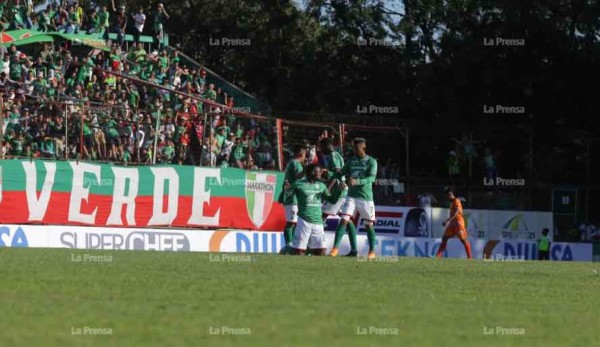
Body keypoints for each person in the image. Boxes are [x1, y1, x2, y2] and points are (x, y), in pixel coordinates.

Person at [284, 163, 344, 256]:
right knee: (299, 252)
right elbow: (287, 196)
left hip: (318, 222)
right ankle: (287, 250)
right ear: (311, 172)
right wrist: (286, 190)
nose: (320, 174)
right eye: (318, 172)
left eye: (320, 172)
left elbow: (332, 200)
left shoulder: (321, 186)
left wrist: (339, 191)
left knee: (321, 252)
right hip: (304, 221)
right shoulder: (298, 184)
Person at [334, 137, 377, 259]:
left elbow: (372, 179)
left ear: (363, 148)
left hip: (365, 198)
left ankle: (372, 251)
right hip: (351, 196)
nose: (354, 150)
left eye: (356, 147)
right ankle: (334, 250)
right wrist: (328, 173)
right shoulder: (351, 161)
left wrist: (357, 182)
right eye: (354, 147)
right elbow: (341, 172)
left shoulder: (371, 161)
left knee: (368, 224)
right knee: (344, 220)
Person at [320, 138, 357, 257]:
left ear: (327, 146)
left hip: (338, 191)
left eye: (321, 146)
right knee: (348, 220)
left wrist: (328, 189)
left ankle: (315, 246)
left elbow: (337, 174)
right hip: (344, 191)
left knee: (321, 216)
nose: (320, 149)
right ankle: (354, 250)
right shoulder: (337, 155)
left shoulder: (332, 155)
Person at [278, 145, 306, 254]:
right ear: (301, 154)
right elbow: (299, 176)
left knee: (294, 222)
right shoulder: (295, 163)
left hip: (293, 196)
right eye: (304, 155)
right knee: (291, 222)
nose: (305, 158)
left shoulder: (292, 162)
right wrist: (306, 170)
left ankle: (293, 245)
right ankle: (288, 246)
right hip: (292, 196)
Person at [435, 187, 472, 259]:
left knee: (463, 240)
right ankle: (438, 256)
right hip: (453, 223)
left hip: (458, 223)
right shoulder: (452, 202)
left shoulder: (456, 201)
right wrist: (449, 220)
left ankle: (470, 257)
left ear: (450, 194)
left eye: (446, 195)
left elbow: (457, 212)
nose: (446, 197)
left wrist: (448, 220)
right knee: (445, 238)